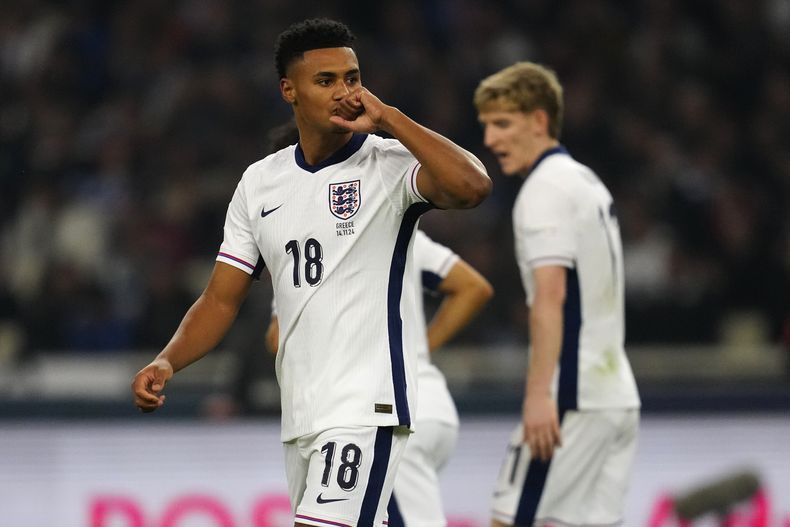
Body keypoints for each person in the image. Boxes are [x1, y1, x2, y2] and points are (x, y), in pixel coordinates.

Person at [131, 17, 491, 527]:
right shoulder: (261, 182)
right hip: (302, 415)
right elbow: (220, 299)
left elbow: (473, 187)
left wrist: (390, 119)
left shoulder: (389, 164)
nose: (344, 91)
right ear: (289, 90)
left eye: (352, 78)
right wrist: (168, 361)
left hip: (366, 407)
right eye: (326, 80)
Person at [474, 62, 640, 527]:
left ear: (539, 120)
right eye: (486, 125)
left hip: (572, 396)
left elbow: (551, 297)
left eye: (502, 124)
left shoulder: (544, 190)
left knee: (510, 519)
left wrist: (538, 395)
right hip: (616, 397)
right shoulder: (586, 180)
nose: (490, 139)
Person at [266, 229, 494, 527]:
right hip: (430, 407)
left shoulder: (307, 241)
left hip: (381, 410)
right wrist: (417, 349)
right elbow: (472, 287)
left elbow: (278, 338)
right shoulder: (394, 222)